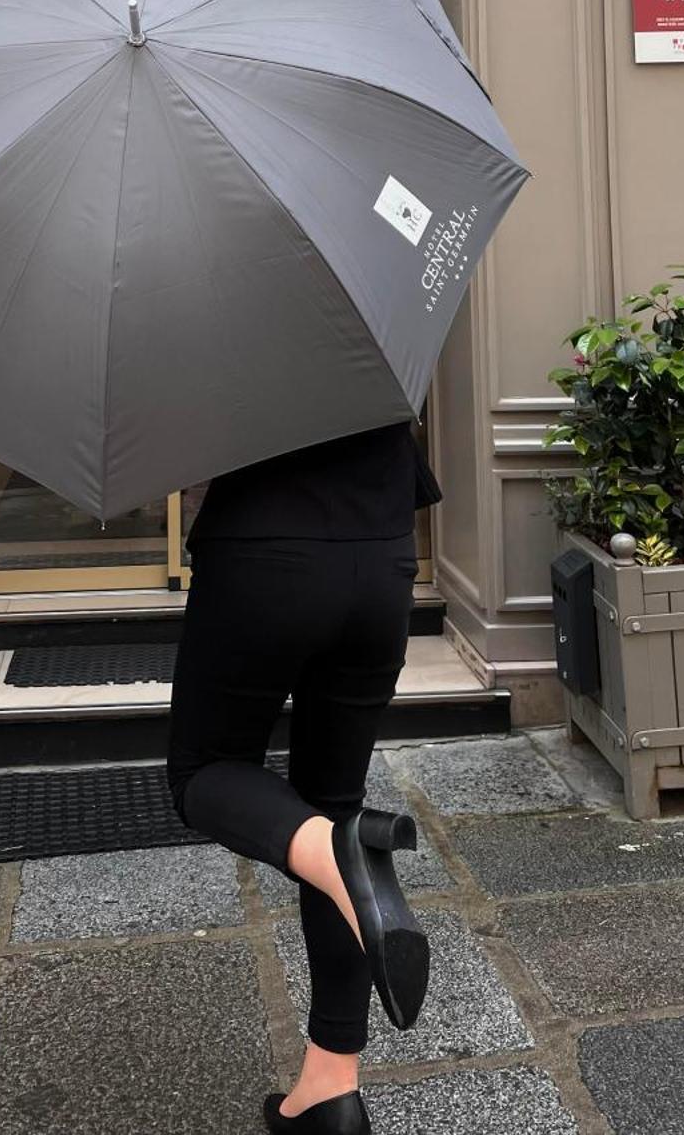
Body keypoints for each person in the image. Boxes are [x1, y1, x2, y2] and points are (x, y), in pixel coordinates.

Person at [166, 420, 441, 1135]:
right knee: (334, 806)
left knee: (205, 772)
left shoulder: (229, 316)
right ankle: (329, 1088)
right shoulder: (369, 314)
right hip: (381, 555)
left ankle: (345, 859)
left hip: (264, 549)